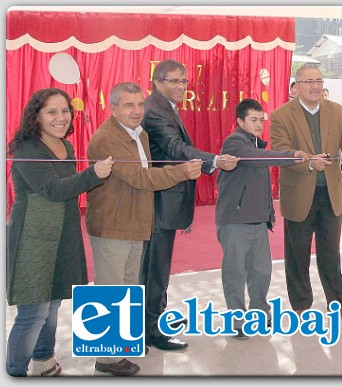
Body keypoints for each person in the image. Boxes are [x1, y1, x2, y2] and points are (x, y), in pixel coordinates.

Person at [86, 82, 202, 376]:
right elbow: (141, 178)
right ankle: (106, 359)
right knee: (109, 290)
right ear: (113, 108)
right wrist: (181, 171)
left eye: (140, 105)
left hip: (134, 222)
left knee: (126, 288)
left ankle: (119, 347)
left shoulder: (139, 134)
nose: (137, 111)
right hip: (113, 224)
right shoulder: (107, 139)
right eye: (128, 105)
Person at [6, 88, 113, 377]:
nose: (60, 117)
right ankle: (14, 372)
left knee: (53, 304)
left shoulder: (65, 147)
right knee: (33, 312)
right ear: (36, 116)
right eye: (52, 111)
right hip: (34, 237)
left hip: (62, 233)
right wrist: (94, 174)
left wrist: (94, 176)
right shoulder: (28, 149)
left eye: (65, 111)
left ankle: (44, 361)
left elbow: (71, 187)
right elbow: (53, 190)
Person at [140, 59, 239, 351]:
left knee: (157, 266)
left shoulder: (163, 106)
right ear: (157, 82)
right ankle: (152, 330)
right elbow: (175, 148)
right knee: (154, 268)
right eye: (173, 81)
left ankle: (155, 318)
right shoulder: (154, 110)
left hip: (164, 196)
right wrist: (214, 160)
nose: (181, 86)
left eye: (184, 81)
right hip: (160, 199)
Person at [270, 64, 342, 316]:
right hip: (299, 193)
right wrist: (309, 162)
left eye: (319, 81)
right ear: (297, 86)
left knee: (331, 252)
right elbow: (280, 152)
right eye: (309, 82)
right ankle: (300, 304)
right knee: (297, 254)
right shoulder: (281, 115)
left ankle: (339, 301)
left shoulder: (336, 110)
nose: (315, 86)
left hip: (330, 192)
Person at [216, 99, 307, 339]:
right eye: (253, 120)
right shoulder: (235, 142)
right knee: (235, 272)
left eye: (261, 120)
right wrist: (292, 156)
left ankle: (260, 312)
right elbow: (258, 158)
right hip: (235, 221)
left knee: (261, 271)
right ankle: (236, 319)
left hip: (258, 221)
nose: (259, 125)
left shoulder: (256, 143)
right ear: (240, 121)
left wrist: (269, 214)